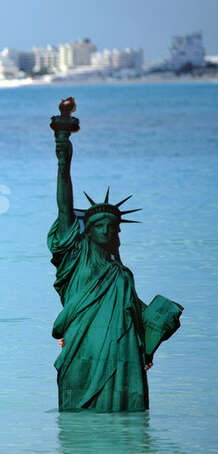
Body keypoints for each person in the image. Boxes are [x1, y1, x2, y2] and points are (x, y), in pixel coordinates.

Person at [49, 133, 151, 412]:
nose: (106, 230)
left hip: (122, 355)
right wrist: (63, 161)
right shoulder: (74, 259)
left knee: (124, 422)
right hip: (81, 349)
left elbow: (137, 314)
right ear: (87, 230)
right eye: (99, 225)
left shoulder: (122, 275)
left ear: (117, 233)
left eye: (111, 226)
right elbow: (64, 207)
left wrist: (149, 342)